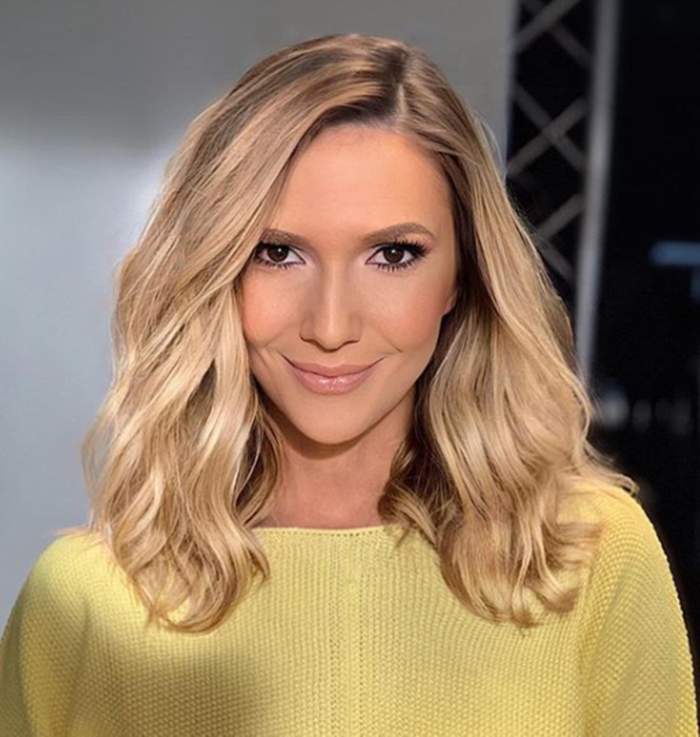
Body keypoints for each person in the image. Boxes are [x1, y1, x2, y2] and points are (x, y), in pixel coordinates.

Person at [0, 32, 697, 737]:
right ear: (217, 270)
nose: (331, 327)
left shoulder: (587, 558)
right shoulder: (83, 602)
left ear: (461, 276)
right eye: (278, 253)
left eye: (392, 254)